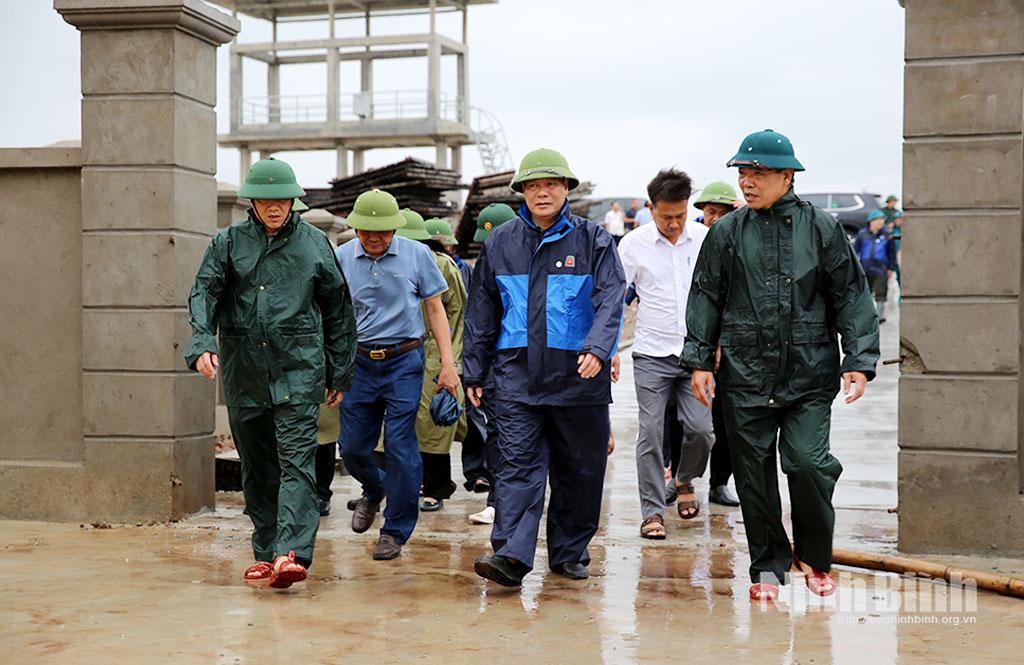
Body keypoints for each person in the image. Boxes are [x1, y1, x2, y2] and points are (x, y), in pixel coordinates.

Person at [681, 129, 879, 603]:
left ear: (787, 176)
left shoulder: (823, 229)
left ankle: (814, 556)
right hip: (745, 372)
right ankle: (767, 565)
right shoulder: (727, 232)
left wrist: (859, 359)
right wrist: (699, 359)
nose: (748, 182)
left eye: (759, 173)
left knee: (808, 464)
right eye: (743, 173)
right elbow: (706, 296)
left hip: (808, 370)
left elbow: (851, 295)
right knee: (753, 475)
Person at [184, 157, 357, 588]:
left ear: (293, 201)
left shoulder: (316, 245)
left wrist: (340, 371)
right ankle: (266, 551)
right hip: (245, 372)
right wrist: (202, 341)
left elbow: (339, 310)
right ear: (253, 202)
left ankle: (289, 553)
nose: (275, 207)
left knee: (296, 463)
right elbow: (204, 291)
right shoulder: (227, 243)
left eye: (282, 200)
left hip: (299, 370)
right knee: (257, 466)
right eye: (266, 200)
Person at [464, 148, 625, 586]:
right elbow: (481, 310)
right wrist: (473, 370)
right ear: (521, 192)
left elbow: (612, 297)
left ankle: (570, 552)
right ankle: (512, 558)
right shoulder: (501, 242)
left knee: (580, 471)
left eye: (551, 184)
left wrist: (598, 347)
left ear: (566, 189)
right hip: (516, 377)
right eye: (533, 185)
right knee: (515, 467)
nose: (542, 192)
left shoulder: (594, 240)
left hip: (579, 376)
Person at [335, 189, 461, 561]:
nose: (374, 238)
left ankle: (394, 529)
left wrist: (449, 366)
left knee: (401, 446)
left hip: (404, 360)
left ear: (396, 228)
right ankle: (375, 490)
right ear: (355, 228)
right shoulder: (341, 258)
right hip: (358, 362)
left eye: (383, 231)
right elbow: (333, 317)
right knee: (354, 448)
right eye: (366, 231)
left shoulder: (418, 255)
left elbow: (436, 310)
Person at [617, 169, 712, 540]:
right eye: (665, 217)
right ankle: (652, 511)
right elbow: (614, 297)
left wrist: (715, 346)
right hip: (651, 354)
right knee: (650, 434)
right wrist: (607, 348)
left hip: (695, 356)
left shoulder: (705, 239)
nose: (673, 224)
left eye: (680, 216)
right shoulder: (633, 245)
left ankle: (686, 480)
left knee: (702, 431)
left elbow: (719, 296)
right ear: (651, 208)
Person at [462, 203, 518, 525]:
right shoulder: (485, 266)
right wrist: (475, 373)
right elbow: (476, 324)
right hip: (495, 367)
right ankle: (498, 501)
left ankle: (508, 500)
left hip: (519, 362)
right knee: (498, 434)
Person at [854, 210, 897, 322]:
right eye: (878, 219)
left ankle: (879, 316)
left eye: (882, 220)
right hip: (864, 269)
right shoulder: (862, 234)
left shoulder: (887, 235)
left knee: (881, 293)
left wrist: (891, 268)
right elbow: (855, 251)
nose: (881, 222)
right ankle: (864, 316)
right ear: (871, 221)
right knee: (864, 294)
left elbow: (891, 253)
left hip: (881, 269)